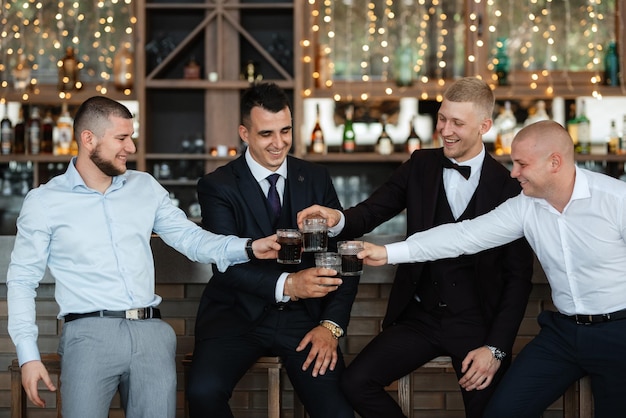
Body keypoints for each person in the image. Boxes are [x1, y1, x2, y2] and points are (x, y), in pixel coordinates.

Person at [6, 96, 279, 418]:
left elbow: (190, 239)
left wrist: (248, 247)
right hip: (88, 334)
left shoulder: (145, 187)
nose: (131, 147)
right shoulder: (45, 201)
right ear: (88, 138)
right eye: (121, 138)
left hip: (151, 333)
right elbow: (22, 280)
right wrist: (28, 355)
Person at [297, 76, 534, 418]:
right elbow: (371, 211)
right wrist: (335, 217)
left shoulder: (509, 187)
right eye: (442, 118)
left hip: (477, 324)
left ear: (485, 125)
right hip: (421, 317)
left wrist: (496, 348)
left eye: (457, 123)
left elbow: (518, 279)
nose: (445, 130)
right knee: (355, 384)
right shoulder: (420, 165)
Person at [359, 119, 626, 417]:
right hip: (562, 335)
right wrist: (388, 252)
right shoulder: (525, 205)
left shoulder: (617, 200)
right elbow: (464, 235)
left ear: (554, 162)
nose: (513, 173)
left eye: (522, 164)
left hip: (619, 331)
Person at [186, 82, 357, 418]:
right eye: (266, 134)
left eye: (286, 131)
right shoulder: (217, 185)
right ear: (244, 133)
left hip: (304, 320)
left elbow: (342, 257)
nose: (279, 143)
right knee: (202, 393)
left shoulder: (317, 177)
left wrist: (330, 326)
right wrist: (288, 285)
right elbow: (225, 262)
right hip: (235, 317)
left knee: (337, 411)